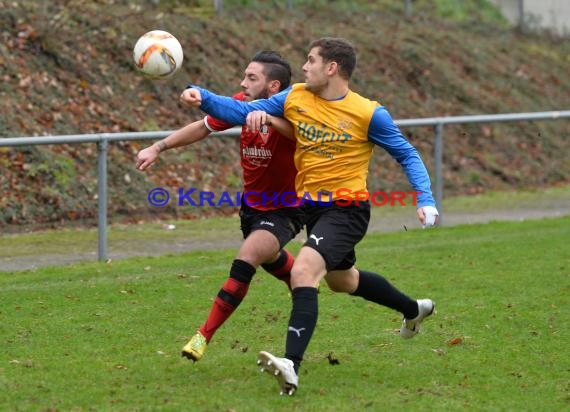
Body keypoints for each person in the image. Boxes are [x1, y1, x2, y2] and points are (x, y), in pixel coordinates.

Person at [179, 37, 439, 395]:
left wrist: (425, 198)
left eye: (311, 60)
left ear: (331, 68)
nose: (303, 67)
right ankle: (414, 309)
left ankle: (291, 364)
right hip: (313, 208)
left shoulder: (368, 113)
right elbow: (241, 111)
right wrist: (202, 96)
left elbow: (407, 153)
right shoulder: (295, 96)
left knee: (303, 270)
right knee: (342, 280)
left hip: (347, 209)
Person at [136, 51, 304, 362]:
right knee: (271, 259)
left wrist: (269, 119)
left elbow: (298, 133)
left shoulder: (295, 109)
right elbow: (204, 126)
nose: (243, 82)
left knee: (248, 257)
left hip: (286, 209)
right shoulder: (241, 104)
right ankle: (304, 282)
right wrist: (159, 146)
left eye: (252, 77)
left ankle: (203, 336)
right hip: (251, 208)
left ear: (273, 85)